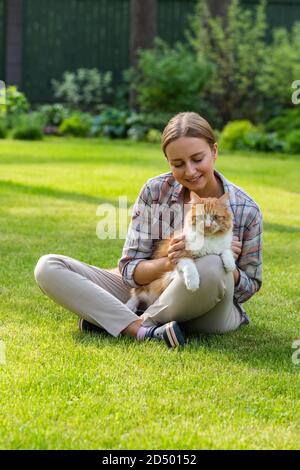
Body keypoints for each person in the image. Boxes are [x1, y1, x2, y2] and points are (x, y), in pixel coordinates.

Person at [34, 112, 262, 349]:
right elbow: (130, 270)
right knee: (49, 266)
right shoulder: (155, 191)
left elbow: (250, 287)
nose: (190, 171)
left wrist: (226, 265)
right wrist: (171, 261)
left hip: (207, 311)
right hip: (149, 289)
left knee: (212, 266)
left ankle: (117, 322)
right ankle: (141, 330)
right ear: (168, 162)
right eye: (178, 164)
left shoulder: (246, 209)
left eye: (197, 159)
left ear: (214, 152)